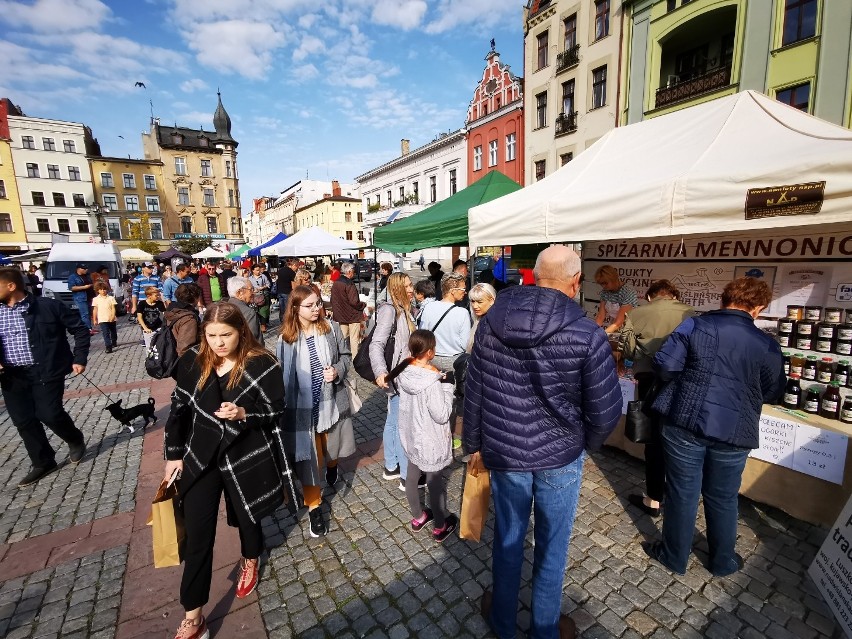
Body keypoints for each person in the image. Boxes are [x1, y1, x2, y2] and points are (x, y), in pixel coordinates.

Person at [463, 245, 622, 639]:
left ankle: (503, 623)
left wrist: (473, 444)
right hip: (559, 455)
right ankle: (544, 630)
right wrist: (585, 444)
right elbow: (605, 411)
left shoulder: (491, 321)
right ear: (575, 282)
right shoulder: (588, 332)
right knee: (552, 547)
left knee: (510, 539)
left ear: (534, 275)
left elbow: (474, 391)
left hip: (507, 450)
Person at [163, 302, 298, 639]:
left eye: (226, 335)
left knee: (246, 518)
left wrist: (243, 415)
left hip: (245, 455)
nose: (219, 343)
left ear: (242, 331)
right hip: (202, 456)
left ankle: (250, 558)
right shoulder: (194, 360)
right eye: (212, 335)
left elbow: (275, 411)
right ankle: (193, 616)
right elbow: (178, 410)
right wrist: (174, 455)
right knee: (197, 537)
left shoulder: (263, 363)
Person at [644, 277, 786, 577]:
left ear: (723, 299)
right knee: (722, 496)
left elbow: (666, 366)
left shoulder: (694, 326)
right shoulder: (767, 344)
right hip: (735, 428)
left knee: (683, 492)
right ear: (758, 309)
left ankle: (674, 556)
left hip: (685, 421)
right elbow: (772, 390)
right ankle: (722, 561)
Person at [277, 285, 355, 538]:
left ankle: (333, 466)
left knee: (331, 452)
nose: (316, 309)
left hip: (331, 404)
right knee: (311, 462)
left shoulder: (330, 329)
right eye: (309, 305)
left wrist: (337, 370)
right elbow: (280, 376)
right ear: (296, 308)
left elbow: (346, 356)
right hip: (302, 413)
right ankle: (314, 508)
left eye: (318, 304)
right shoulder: (285, 339)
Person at [0, 267, 89, 487]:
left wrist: (79, 358)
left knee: (49, 413)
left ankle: (74, 438)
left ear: (11, 286)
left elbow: (79, 329)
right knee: (23, 421)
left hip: (46, 369)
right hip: (12, 375)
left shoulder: (47, 307)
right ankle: (43, 462)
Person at [620, 280, 695, 518]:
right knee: (676, 437)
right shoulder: (691, 314)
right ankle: (677, 497)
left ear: (651, 297)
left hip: (649, 378)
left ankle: (654, 498)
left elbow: (628, 350)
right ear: (674, 295)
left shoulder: (637, 312)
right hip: (681, 382)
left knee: (653, 440)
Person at [392, 329, 458, 541]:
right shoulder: (431, 382)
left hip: (412, 435)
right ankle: (440, 525)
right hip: (430, 439)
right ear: (430, 352)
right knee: (434, 482)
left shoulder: (404, 371)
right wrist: (447, 388)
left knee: (412, 477)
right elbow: (442, 414)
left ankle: (418, 516)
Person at [371, 273, 420, 488]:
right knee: (403, 426)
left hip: (402, 375)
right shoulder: (390, 311)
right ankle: (407, 477)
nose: (411, 289)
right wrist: (381, 371)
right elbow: (376, 345)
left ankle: (392, 466)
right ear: (397, 288)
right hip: (398, 378)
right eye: (407, 286)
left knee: (393, 421)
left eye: (411, 285)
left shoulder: (405, 310)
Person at [330, 262, 366, 356]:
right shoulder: (349, 284)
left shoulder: (336, 282)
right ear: (349, 272)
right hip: (352, 315)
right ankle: (355, 359)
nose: (353, 273)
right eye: (353, 271)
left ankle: (339, 355)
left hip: (341, 315)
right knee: (354, 339)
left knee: (342, 337)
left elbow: (333, 299)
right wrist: (363, 305)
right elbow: (354, 302)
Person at [594, 265, 637, 334]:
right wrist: (594, 331)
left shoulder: (627, 292)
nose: (603, 286)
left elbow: (619, 322)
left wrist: (601, 335)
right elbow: (600, 316)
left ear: (613, 278)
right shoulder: (605, 292)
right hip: (613, 327)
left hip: (628, 329)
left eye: (605, 283)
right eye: (601, 284)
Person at [165, 283, 203, 357]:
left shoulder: (172, 310)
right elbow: (184, 349)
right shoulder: (188, 319)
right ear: (195, 297)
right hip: (181, 361)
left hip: (169, 354)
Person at [226, 276, 262, 342]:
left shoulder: (226, 307)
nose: (253, 292)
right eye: (251, 289)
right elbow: (251, 340)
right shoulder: (248, 313)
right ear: (239, 293)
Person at [467, 282, 496, 352]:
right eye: (473, 301)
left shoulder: (494, 323)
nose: (475, 306)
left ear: (491, 301)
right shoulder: (481, 319)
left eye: (479, 302)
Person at [91, 281, 118, 354]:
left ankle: (114, 341)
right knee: (105, 333)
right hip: (102, 319)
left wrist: (113, 316)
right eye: (101, 289)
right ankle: (108, 346)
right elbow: (95, 309)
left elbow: (113, 308)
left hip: (111, 318)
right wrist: (94, 319)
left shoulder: (111, 298)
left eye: (104, 289)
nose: (103, 291)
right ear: (98, 290)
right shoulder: (96, 299)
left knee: (113, 331)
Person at [67, 263, 95, 332]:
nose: (86, 270)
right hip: (80, 298)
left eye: (86, 268)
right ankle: (87, 329)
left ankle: (90, 328)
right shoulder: (73, 277)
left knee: (88, 313)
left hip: (89, 297)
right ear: (78, 269)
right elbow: (71, 288)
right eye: (84, 269)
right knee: (84, 314)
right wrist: (84, 287)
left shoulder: (88, 275)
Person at [137, 286, 166, 351]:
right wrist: (145, 328)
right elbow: (139, 317)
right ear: (149, 296)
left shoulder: (159, 303)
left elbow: (165, 314)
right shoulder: (142, 304)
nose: (158, 297)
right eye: (156, 295)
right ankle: (149, 360)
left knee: (160, 347)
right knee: (149, 347)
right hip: (148, 328)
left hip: (159, 327)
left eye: (159, 295)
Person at [248, 264, 272, 333]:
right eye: (257, 270)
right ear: (253, 270)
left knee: (264, 311)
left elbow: (268, 284)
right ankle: (257, 325)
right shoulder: (250, 278)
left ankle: (263, 325)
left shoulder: (263, 276)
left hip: (263, 295)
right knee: (256, 311)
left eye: (259, 270)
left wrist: (263, 287)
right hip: (254, 296)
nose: (258, 272)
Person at [277, 258, 297, 322]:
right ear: (293, 265)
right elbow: (293, 285)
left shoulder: (280, 270)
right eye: (297, 267)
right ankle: (287, 322)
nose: (296, 269)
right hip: (287, 292)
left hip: (280, 291)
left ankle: (281, 321)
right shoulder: (291, 272)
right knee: (287, 308)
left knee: (281, 308)